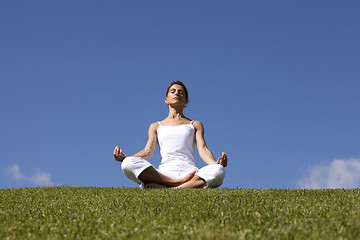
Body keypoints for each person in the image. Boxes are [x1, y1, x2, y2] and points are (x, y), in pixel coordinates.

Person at [113, 81, 227, 188]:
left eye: (181, 92)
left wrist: (215, 164)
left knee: (219, 171)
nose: (177, 93)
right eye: (173, 91)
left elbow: (203, 149)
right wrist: (127, 158)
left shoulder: (195, 124)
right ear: (166, 99)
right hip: (164, 174)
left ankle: (171, 189)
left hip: (191, 173)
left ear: (186, 101)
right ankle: (179, 184)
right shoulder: (156, 126)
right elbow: (148, 151)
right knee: (127, 164)